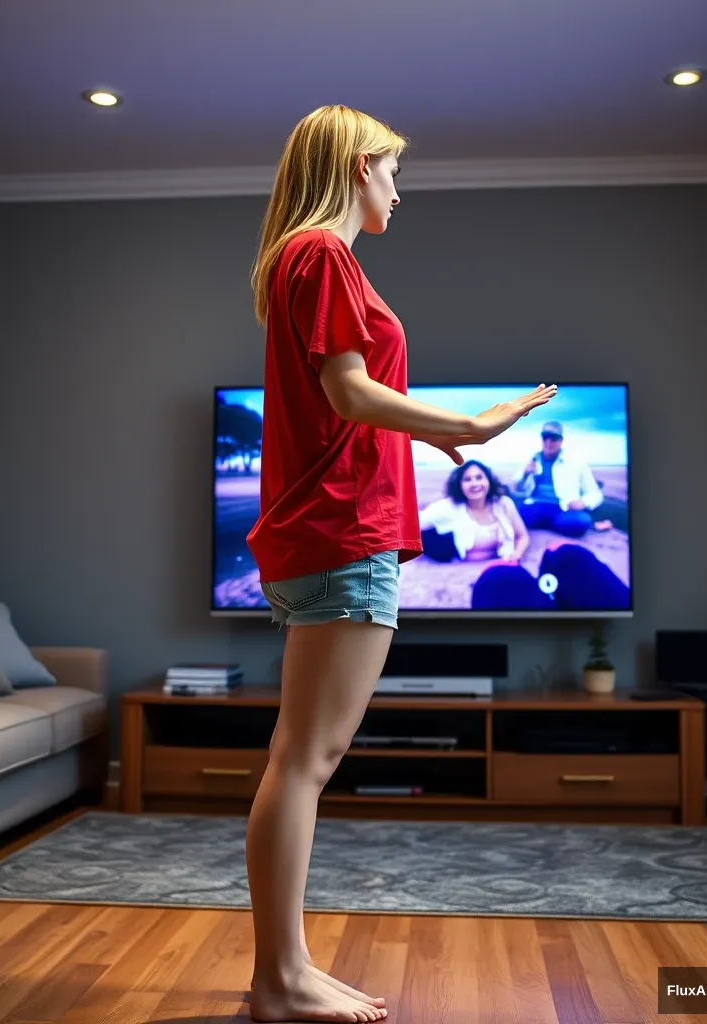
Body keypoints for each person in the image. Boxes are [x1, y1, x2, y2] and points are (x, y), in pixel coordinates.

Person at [243, 104, 557, 1023]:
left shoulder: (303, 260)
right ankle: (279, 980)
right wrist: (467, 424)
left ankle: (288, 969)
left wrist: (435, 447)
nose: (398, 190)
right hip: (343, 534)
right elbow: (349, 388)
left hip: (327, 531)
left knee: (300, 755)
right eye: (390, 170)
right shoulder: (323, 255)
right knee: (305, 759)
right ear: (353, 167)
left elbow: (344, 404)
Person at [510, 420, 613, 536]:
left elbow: (596, 494)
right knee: (513, 514)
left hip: (563, 509)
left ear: (561, 440)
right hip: (536, 506)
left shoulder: (576, 462)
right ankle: (553, 524)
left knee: (581, 521)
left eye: (553, 438)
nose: (548, 442)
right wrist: (525, 474)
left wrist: (583, 503)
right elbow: (518, 488)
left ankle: (548, 523)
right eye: (545, 437)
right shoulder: (533, 459)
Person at [418, 459, 529, 565]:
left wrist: (517, 554)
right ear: (460, 485)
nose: (474, 484)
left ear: (488, 480)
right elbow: (414, 522)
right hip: (445, 550)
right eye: (467, 479)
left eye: (479, 477)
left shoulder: (504, 504)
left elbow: (523, 536)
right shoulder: (450, 506)